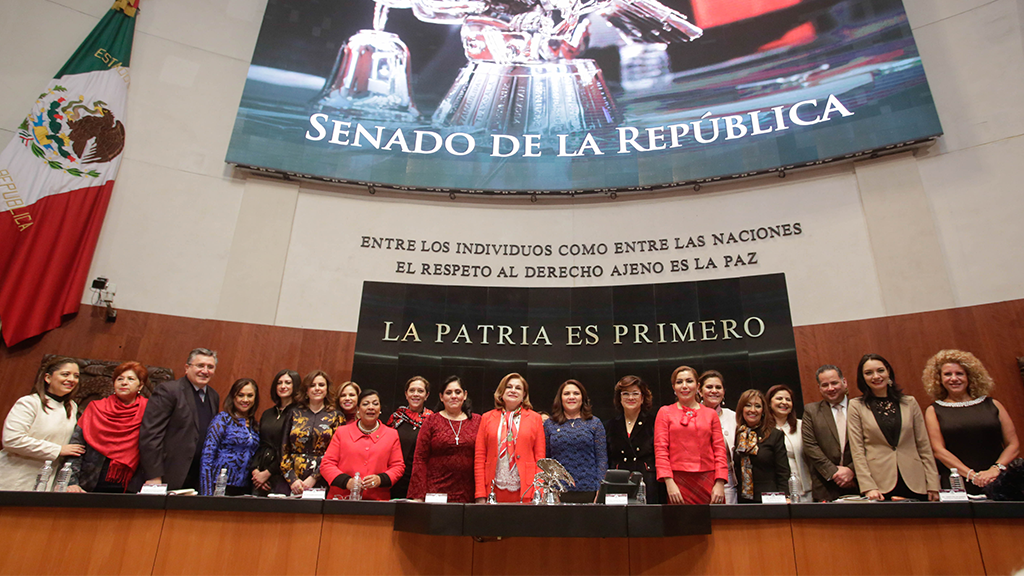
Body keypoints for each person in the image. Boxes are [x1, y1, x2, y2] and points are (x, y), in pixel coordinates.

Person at [922, 350, 1020, 494]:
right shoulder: (934, 410)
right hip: (958, 483)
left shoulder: (993, 404)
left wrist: (995, 470)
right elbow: (939, 451)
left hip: (998, 480)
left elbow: (1013, 445)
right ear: (939, 379)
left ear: (970, 376)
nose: (954, 379)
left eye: (959, 373)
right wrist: (971, 475)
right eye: (947, 374)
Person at [848, 353, 939, 501]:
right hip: (880, 485)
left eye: (880, 370)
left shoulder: (909, 402)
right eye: (868, 373)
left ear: (888, 372)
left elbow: (924, 446)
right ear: (862, 378)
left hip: (915, 480)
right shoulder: (856, 406)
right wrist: (868, 486)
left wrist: (933, 484)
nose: (876, 376)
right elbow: (857, 450)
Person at [139, 348, 221, 490]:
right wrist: (154, 475)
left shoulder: (213, 396)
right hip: (166, 475)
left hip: (197, 477)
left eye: (210, 367)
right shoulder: (169, 391)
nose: (205, 371)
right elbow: (150, 434)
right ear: (187, 368)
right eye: (200, 365)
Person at [0, 357, 83, 491]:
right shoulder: (29, 403)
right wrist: (58, 450)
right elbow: (12, 440)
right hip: (14, 478)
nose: (72, 379)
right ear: (48, 378)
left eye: (76, 376)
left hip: (46, 483)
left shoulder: (72, 407)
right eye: (65, 374)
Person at [66, 361, 149, 493]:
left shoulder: (150, 411)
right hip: (88, 482)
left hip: (130, 484)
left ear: (141, 385)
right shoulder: (95, 408)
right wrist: (71, 482)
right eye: (119, 379)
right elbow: (76, 446)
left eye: (131, 379)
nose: (124, 383)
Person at [654, 366, 729, 504]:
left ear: (697, 386)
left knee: (714, 524)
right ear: (673, 387)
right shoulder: (665, 412)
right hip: (677, 481)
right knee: (681, 524)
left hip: (709, 480)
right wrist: (669, 483)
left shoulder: (710, 414)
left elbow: (719, 450)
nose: (684, 386)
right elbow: (661, 450)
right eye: (679, 382)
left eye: (689, 381)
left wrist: (720, 483)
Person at [408, 376, 481, 502]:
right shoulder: (431, 421)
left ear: (465, 395)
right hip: (435, 493)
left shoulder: (478, 421)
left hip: (468, 494)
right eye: (448, 393)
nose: (453, 396)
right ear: (441, 397)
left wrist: (481, 495)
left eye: (458, 392)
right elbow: (420, 459)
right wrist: (418, 496)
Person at [321, 389, 404, 500]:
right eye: (365, 404)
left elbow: (398, 466)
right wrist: (346, 482)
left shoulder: (391, 434)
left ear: (380, 409)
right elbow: (327, 464)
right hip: (342, 498)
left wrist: (380, 479)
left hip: (377, 500)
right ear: (358, 409)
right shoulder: (342, 432)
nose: (371, 407)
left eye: (375, 404)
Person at [474, 372, 545, 503]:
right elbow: (479, 457)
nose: (513, 390)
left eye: (518, 388)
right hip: (493, 488)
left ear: (524, 394)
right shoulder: (487, 418)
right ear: (501, 392)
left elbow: (540, 458)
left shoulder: (535, 418)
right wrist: (480, 494)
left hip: (526, 489)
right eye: (509, 387)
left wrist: (538, 491)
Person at [280, 370, 344, 495]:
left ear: (327, 389)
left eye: (321, 385)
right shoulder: (293, 413)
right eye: (312, 385)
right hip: (291, 479)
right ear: (306, 390)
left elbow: (337, 452)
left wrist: (314, 477)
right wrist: (292, 479)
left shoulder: (336, 416)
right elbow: (283, 447)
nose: (317, 389)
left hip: (322, 477)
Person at [801, 364, 858, 502]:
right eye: (825, 385)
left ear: (844, 382)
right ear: (819, 388)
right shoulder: (811, 411)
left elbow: (870, 444)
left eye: (834, 383)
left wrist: (851, 471)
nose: (830, 388)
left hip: (859, 483)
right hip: (825, 487)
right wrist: (835, 473)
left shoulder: (859, 407)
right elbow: (811, 447)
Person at [544, 379, 607, 502]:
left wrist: (601, 490)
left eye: (576, 393)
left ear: (582, 398)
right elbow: (546, 460)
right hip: (558, 492)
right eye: (566, 394)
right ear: (560, 398)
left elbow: (602, 460)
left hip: (590, 491)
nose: (571, 397)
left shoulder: (595, 423)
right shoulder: (549, 424)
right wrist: (550, 489)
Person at [200, 378, 261, 496]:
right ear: (233, 397)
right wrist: (206, 494)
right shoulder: (222, 420)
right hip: (219, 486)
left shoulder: (255, 425)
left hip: (245, 488)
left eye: (250, 395)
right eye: (241, 395)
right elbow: (207, 456)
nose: (245, 400)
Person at [606, 375, 660, 503]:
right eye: (625, 394)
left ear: (642, 397)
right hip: (619, 482)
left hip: (648, 482)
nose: (630, 398)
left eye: (635, 393)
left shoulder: (655, 422)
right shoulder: (610, 425)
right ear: (619, 398)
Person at [733, 389, 790, 503]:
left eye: (758, 406)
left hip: (770, 497)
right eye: (748, 405)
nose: (752, 410)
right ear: (741, 409)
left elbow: (783, 471)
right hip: (743, 498)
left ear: (763, 411)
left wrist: (785, 496)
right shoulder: (738, 434)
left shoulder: (774, 435)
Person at [251, 369, 300, 496]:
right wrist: (256, 471)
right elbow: (260, 443)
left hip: (282, 475)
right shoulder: (268, 413)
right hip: (259, 474)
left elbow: (288, 448)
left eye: (288, 383)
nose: (283, 386)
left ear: (295, 386)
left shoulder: (299, 413)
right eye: (279, 383)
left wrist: (267, 473)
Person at [386, 376, 434, 499]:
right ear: (406, 394)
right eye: (412, 390)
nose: (415, 394)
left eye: (420, 391)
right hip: (395, 479)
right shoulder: (396, 418)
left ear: (427, 395)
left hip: (421, 479)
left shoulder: (433, 420)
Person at [767, 384, 812, 502]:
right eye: (779, 398)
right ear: (769, 403)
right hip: (776, 492)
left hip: (804, 490)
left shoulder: (802, 426)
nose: (784, 402)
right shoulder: (764, 430)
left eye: (788, 399)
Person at [699, 370, 737, 504]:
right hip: (700, 478)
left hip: (728, 481)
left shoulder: (734, 417)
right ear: (700, 391)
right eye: (709, 387)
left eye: (718, 387)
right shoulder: (692, 415)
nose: (714, 391)